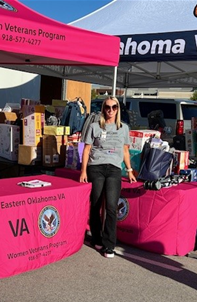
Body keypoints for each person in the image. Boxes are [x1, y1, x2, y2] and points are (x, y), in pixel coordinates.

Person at [80, 96, 136, 258]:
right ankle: (96, 237)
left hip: (114, 169)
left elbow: (125, 151)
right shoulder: (94, 126)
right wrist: (83, 171)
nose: (110, 110)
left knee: (111, 206)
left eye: (114, 107)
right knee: (96, 204)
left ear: (118, 109)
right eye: (107, 107)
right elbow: (86, 150)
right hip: (95, 167)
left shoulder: (124, 128)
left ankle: (109, 244)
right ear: (103, 109)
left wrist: (130, 170)